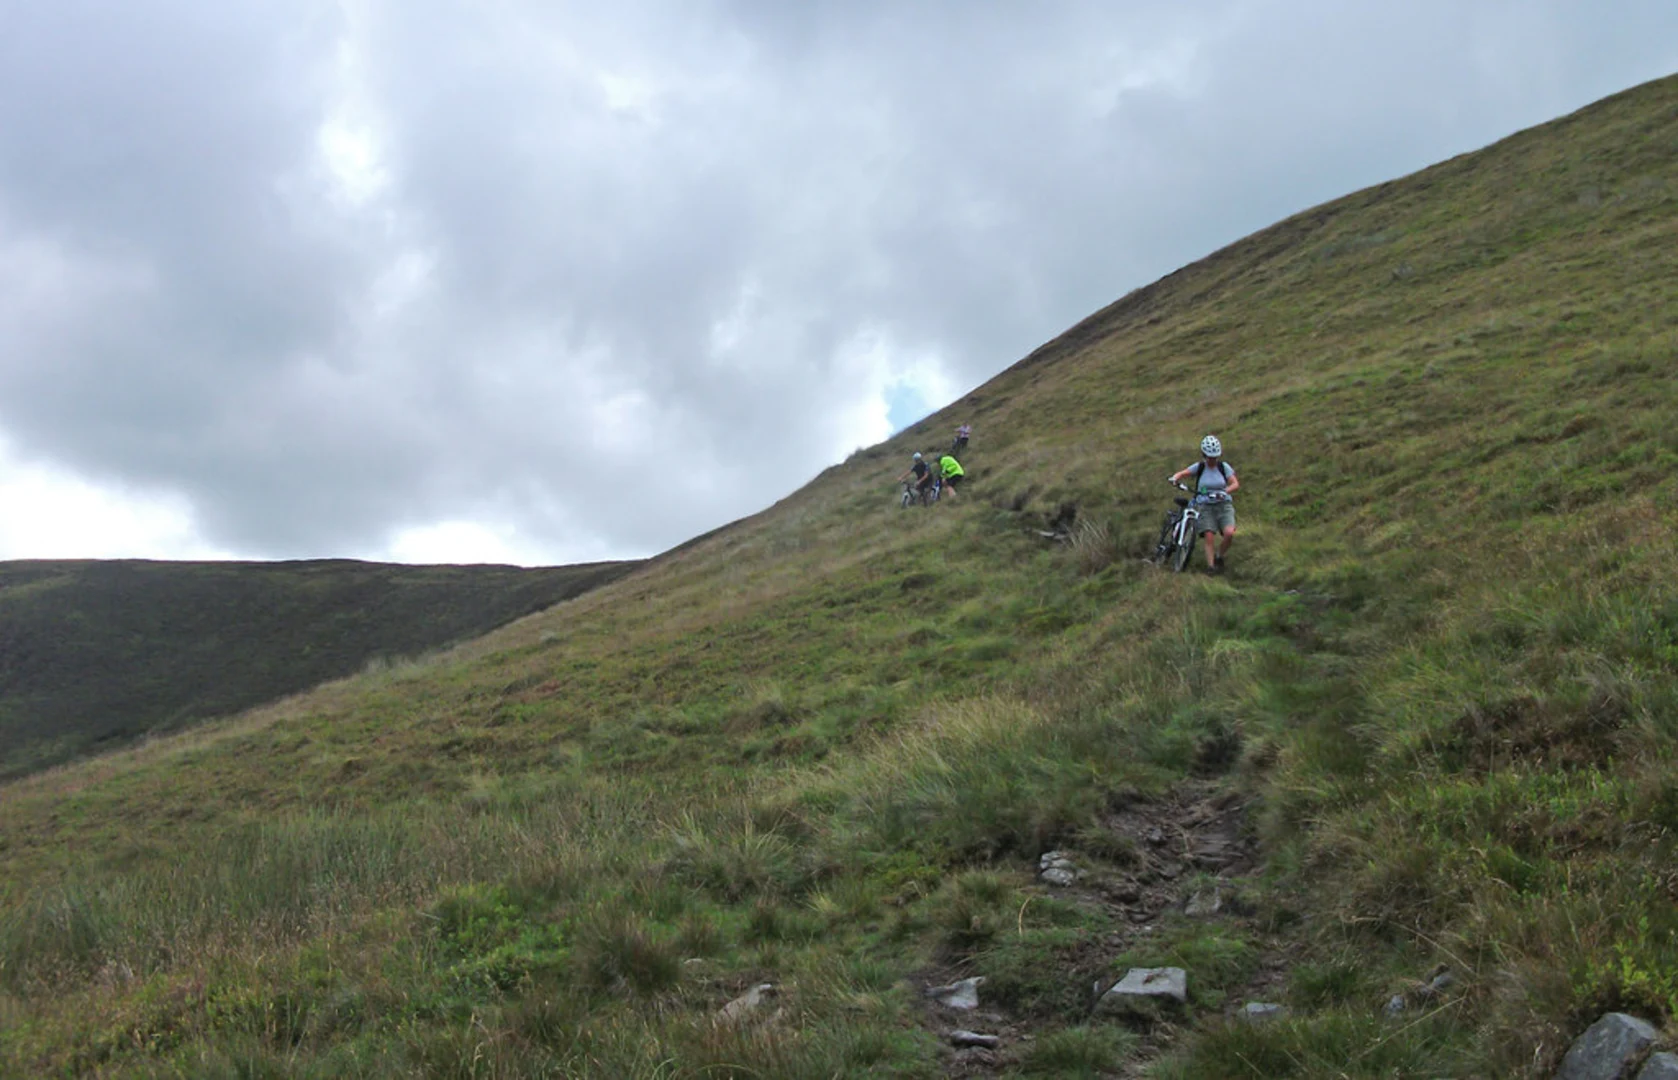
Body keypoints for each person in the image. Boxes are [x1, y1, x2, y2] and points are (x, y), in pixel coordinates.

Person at [1168, 435, 1239, 571]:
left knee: (1229, 533)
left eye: (1214, 457)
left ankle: (1219, 556)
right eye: (1209, 457)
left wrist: (1225, 491)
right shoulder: (1200, 467)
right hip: (1205, 506)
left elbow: (1235, 483)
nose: (1212, 460)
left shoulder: (1223, 467)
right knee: (1209, 535)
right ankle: (1211, 566)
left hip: (1223, 505)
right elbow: (1184, 473)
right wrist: (1176, 477)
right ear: (1204, 455)